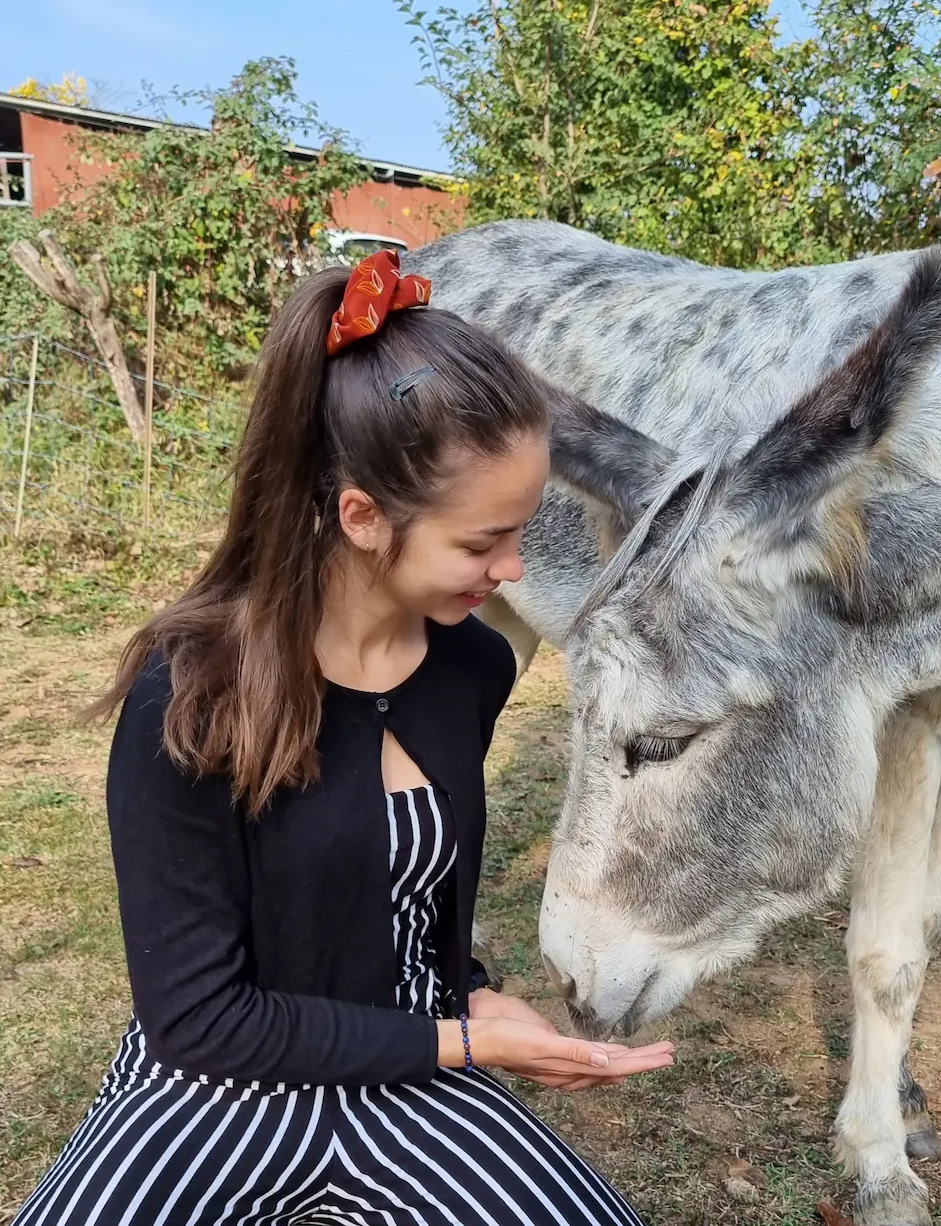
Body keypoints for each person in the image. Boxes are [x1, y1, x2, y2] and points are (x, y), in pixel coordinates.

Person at [13, 252, 673, 1226]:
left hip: (411, 1068)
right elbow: (200, 1019)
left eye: (521, 531)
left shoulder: (472, 672)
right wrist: (470, 1044)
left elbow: (400, 886)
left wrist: (477, 997)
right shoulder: (189, 698)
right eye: (483, 540)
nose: (514, 566)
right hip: (212, 1088)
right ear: (362, 517)